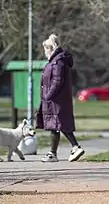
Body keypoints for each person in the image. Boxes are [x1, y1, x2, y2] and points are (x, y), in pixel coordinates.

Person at [36, 34, 85, 162]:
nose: (45, 52)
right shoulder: (56, 61)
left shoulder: (58, 62)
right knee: (55, 125)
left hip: (56, 100)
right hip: (55, 99)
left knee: (59, 124)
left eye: (45, 49)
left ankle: (75, 146)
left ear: (50, 48)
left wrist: (48, 95)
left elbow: (57, 81)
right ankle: (52, 153)